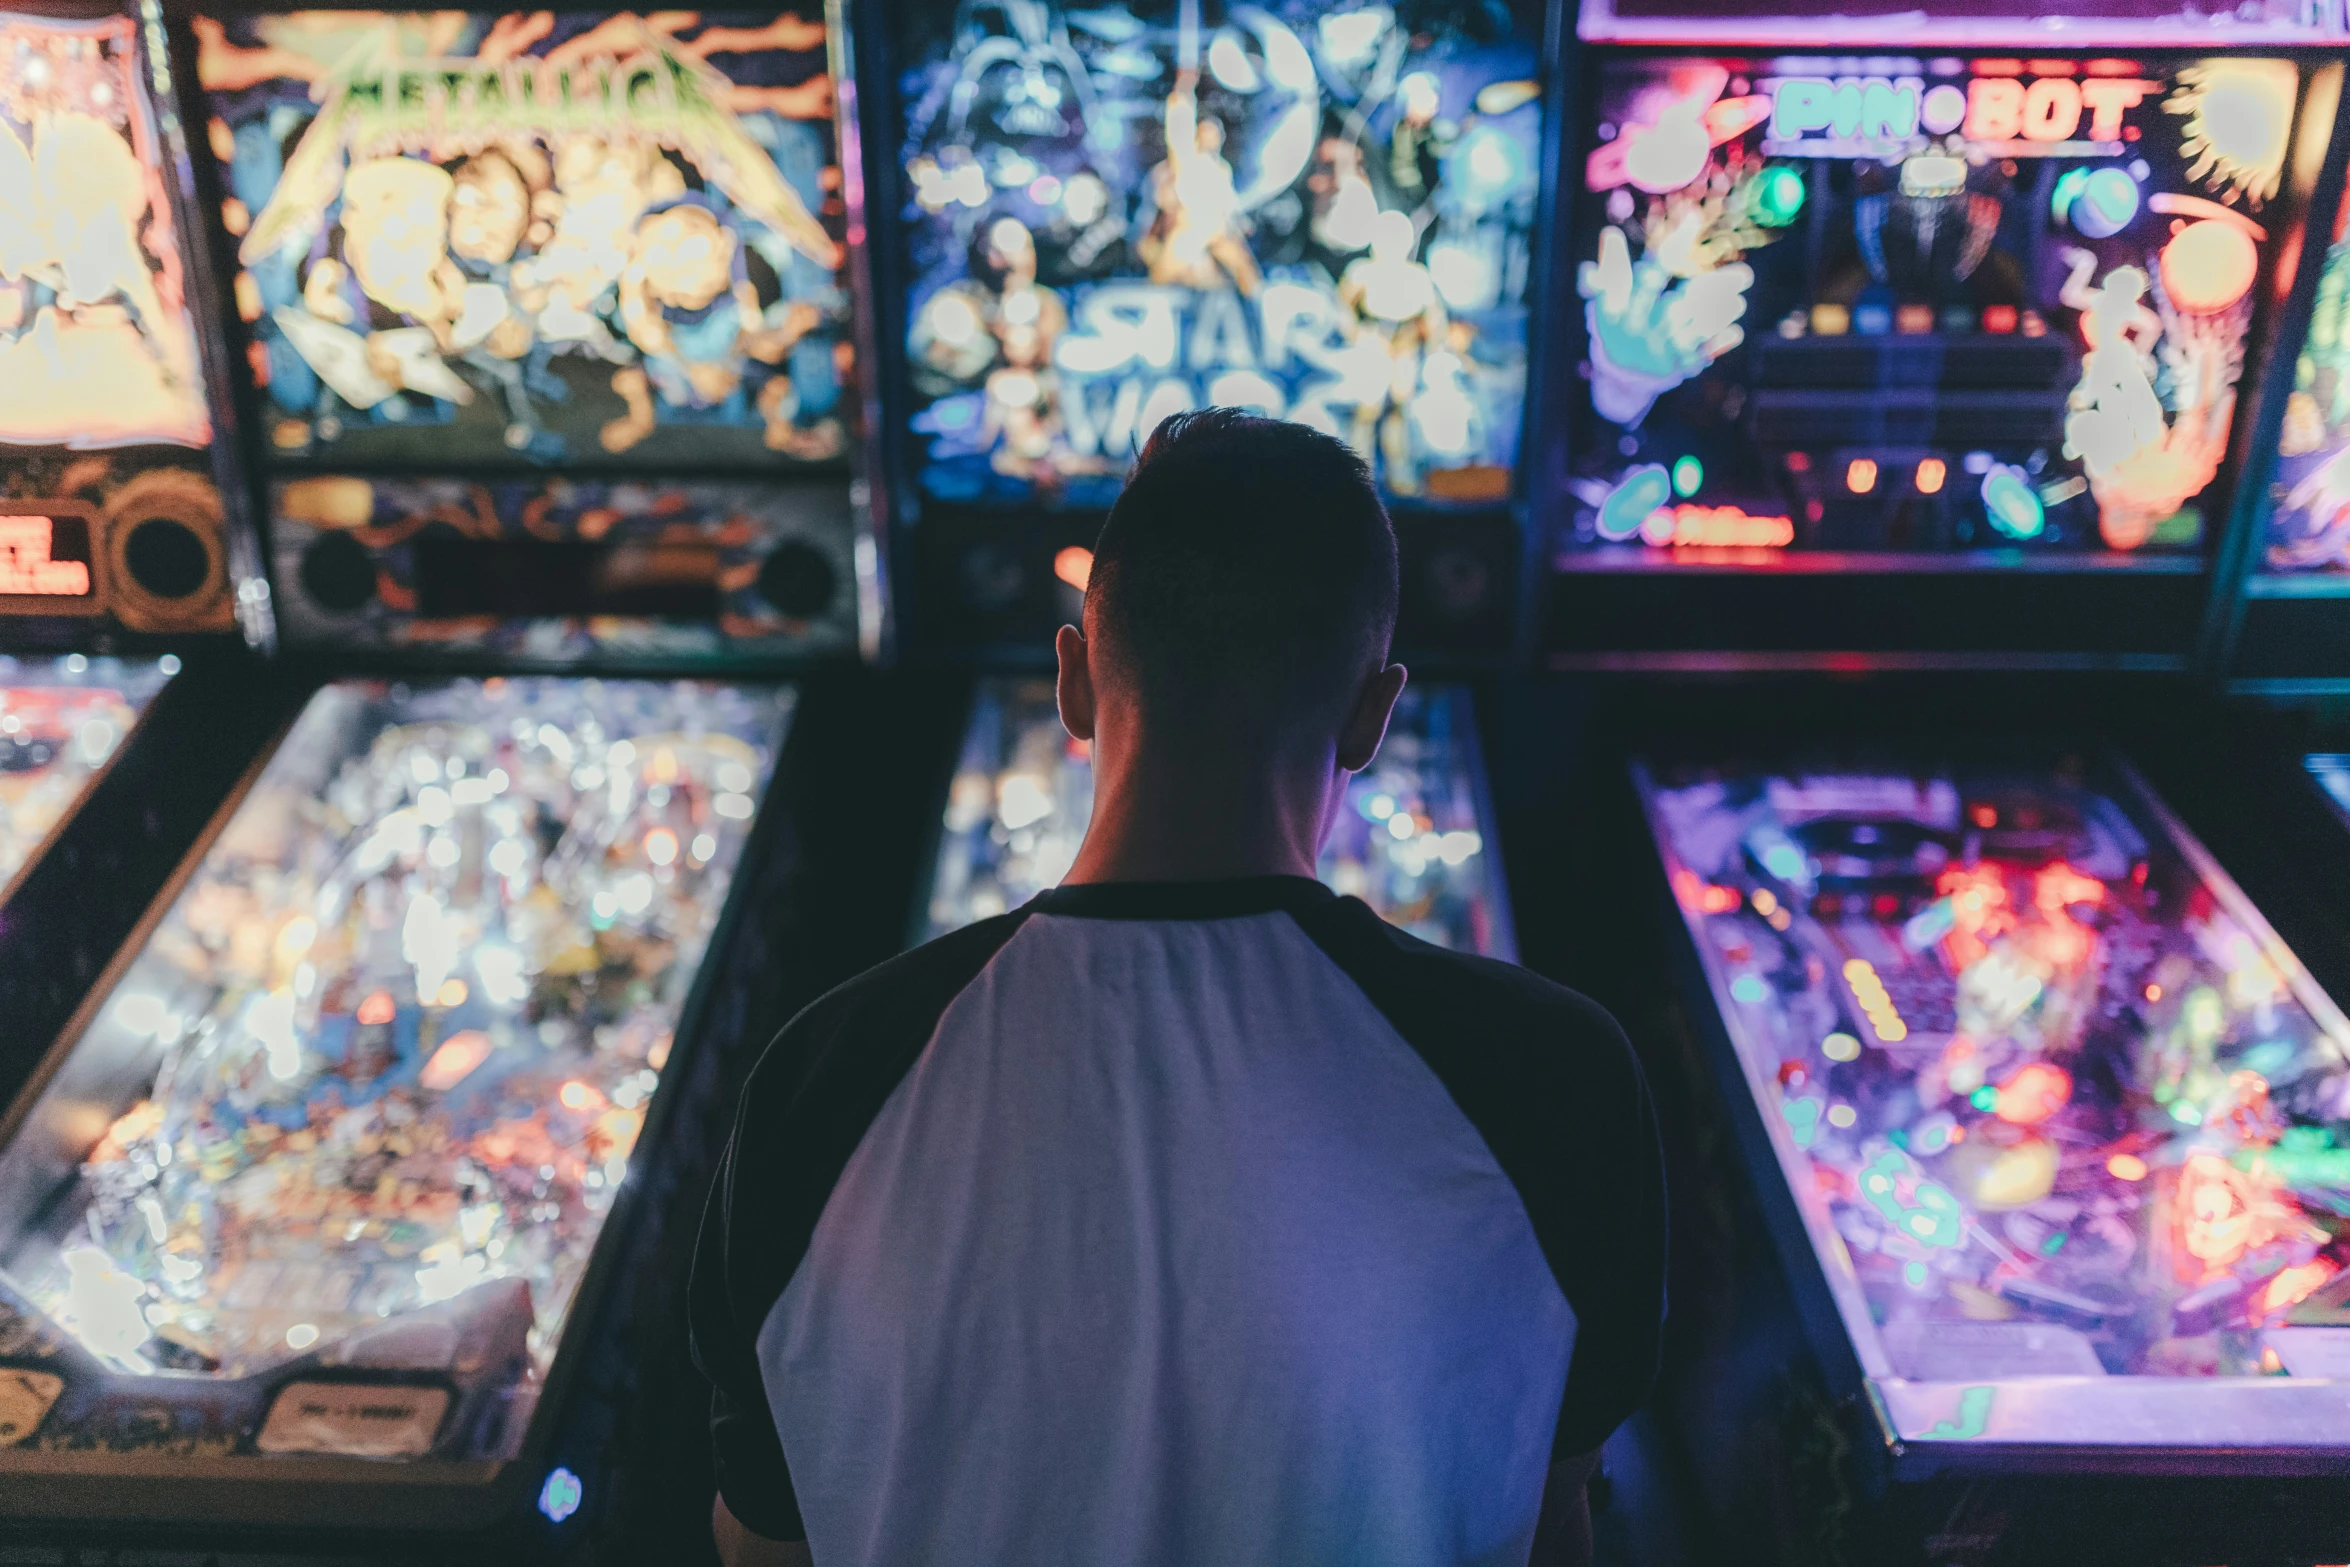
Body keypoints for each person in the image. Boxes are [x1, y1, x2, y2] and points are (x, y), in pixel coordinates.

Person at [689, 409, 1667, 1567]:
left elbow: (765, 1548)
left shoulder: (828, 1074)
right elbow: (1551, 1531)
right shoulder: (1554, 1078)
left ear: (1072, 683)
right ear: (1372, 711)